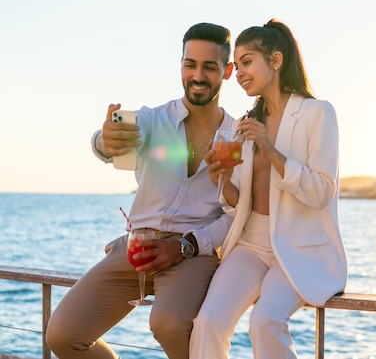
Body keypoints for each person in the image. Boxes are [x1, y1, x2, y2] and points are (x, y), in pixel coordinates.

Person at [46, 22, 236, 359]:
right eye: (190, 64)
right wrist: (106, 139)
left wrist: (186, 247)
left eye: (210, 66)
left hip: (191, 254)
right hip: (134, 250)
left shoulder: (238, 137)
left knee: (167, 324)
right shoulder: (153, 119)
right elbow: (119, 136)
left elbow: (236, 216)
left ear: (228, 71)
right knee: (62, 335)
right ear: (180, 65)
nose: (198, 75)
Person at [189, 19, 348, 359]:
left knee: (265, 321)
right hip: (249, 243)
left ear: (275, 61)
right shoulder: (246, 122)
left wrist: (272, 152)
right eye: (238, 63)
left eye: (247, 61)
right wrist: (219, 177)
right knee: (207, 323)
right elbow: (238, 202)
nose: (239, 72)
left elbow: (322, 191)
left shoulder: (317, 113)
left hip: (297, 248)